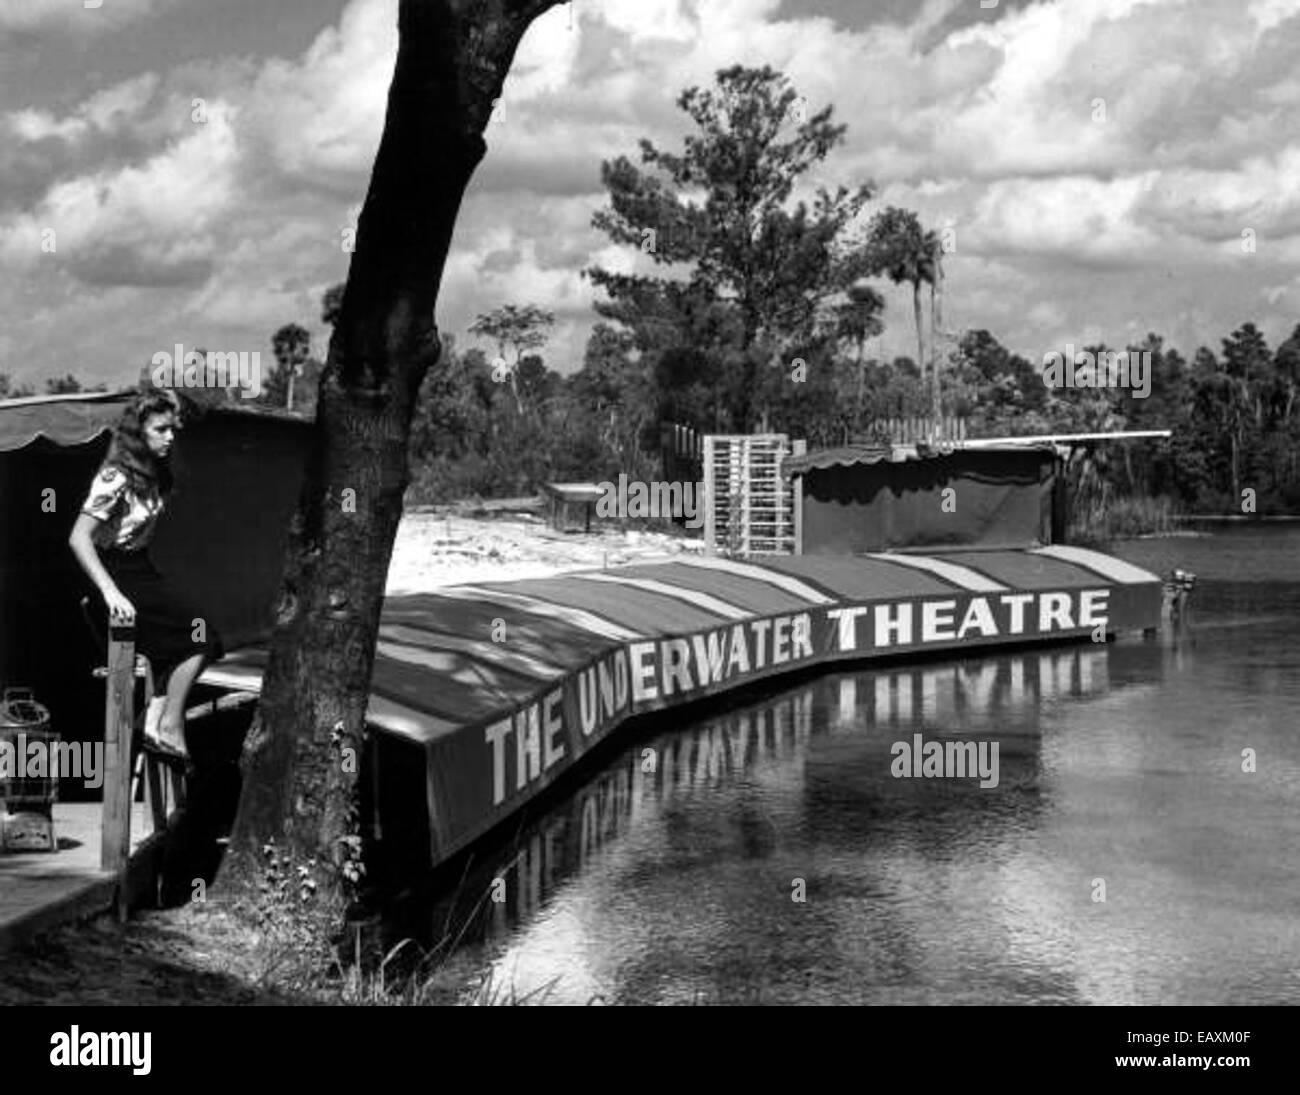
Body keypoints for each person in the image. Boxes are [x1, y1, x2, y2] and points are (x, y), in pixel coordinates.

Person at [68, 388, 223, 760]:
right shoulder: (114, 476)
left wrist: (170, 397)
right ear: (138, 432)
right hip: (116, 571)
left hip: (141, 567)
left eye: (173, 429)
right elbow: (78, 537)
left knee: (185, 643)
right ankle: (169, 724)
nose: (170, 436)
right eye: (161, 429)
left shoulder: (155, 472)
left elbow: (195, 412)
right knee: (203, 637)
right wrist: (109, 592)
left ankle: (154, 719)